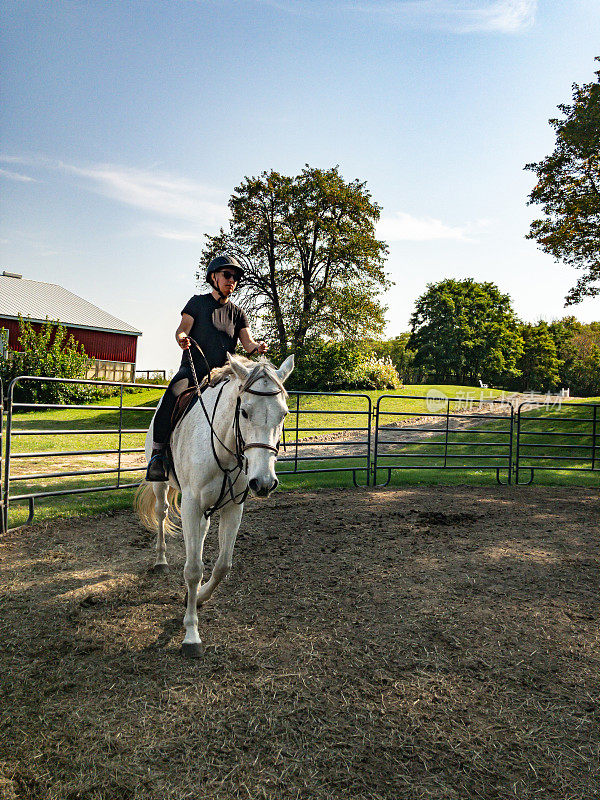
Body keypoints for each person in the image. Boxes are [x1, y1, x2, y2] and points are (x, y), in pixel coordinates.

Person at [146, 255, 267, 481]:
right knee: (171, 397)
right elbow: (182, 330)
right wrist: (182, 338)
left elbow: (247, 343)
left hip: (223, 376)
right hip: (193, 372)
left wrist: (257, 347)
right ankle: (158, 456)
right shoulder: (197, 303)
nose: (232, 280)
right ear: (214, 277)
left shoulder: (238, 313)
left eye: (236, 277)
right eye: (227, 275)